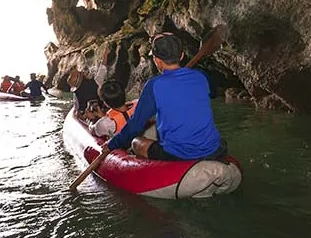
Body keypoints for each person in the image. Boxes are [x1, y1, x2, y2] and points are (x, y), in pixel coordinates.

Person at [102, 33, 226, 161]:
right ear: (182, 55)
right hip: (213, 148)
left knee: (136, 142)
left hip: (178, 153)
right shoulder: (201, 76)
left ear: (157, 60)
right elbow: (213, 94)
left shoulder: (154, 85)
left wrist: (112, 144)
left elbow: (135, 125)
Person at [69, 45, 110, 116]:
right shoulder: (96, 82)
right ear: (83, 76)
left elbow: (77, 110)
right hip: (102, 113)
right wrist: (105, 54)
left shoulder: (76, 95)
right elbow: (103, 68)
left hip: (89, 117)